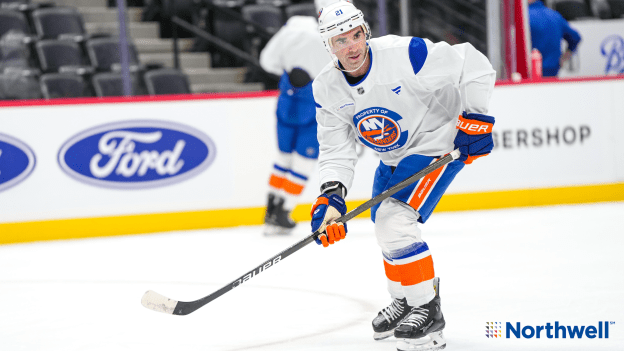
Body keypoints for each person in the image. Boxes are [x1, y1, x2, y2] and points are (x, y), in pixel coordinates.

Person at [309, 1, 496, 350]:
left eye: (355, 35)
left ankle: (428, 310)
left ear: (366, 31)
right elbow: (336, 148)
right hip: (393, 154)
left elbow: (472, 61)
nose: (351, 46)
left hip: (436, 140)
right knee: (384, 221)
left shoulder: (405, 54)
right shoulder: (327, 88)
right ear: (328, 46)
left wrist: (476, 117)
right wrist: (331, 195)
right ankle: (408, 300)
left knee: (395, 221)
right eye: (339, 41)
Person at [259, 0, 336, 235]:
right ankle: (285, 209)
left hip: (286, 100)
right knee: (304, 161)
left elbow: (267, 61)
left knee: (283, 157)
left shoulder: (286, 32)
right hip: (311, 104)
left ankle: (271, 206)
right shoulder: (321, 38)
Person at [528, 0, 581, 77]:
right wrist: (564, 58)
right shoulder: (555, 15)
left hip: (529, 73)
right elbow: (575, 38)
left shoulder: (523, 17)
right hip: (552, 72)